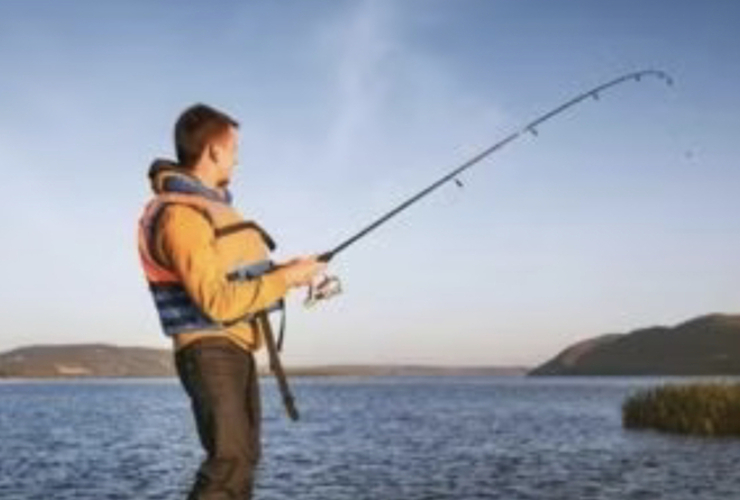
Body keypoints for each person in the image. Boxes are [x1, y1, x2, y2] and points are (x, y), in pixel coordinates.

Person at [137, 103, 325, 499]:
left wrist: (286, 273)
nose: (237, 158)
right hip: (209, 348)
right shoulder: (181, 217)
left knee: (243, 459)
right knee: (229, 462)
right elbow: (218, 302)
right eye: (234, 147)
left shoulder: (206, 209)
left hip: (233, 348)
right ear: (214, 151)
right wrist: (285, 278)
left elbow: (233, 279)